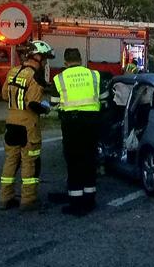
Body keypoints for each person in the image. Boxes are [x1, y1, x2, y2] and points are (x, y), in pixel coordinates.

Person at [0, 40, 53, 211]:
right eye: (44, 59)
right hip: (28, 124)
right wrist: (46, 109)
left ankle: (5, 198)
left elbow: (4, 95)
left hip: (11, 122)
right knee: (30, 161)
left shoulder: (13, 72)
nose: (45, 62)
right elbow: (32, 104)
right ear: (36, 57)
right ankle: (28, 200)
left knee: (11, 161)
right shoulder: (34, 76)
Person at [51, 48, 105, 216]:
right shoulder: (94, 75)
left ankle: (76, 204)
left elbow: (53, 103)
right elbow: (104, 98)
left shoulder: (59, 78)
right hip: (92, 123)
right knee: (89, 160)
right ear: (81, 60)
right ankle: (90, 201)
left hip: (71, 124)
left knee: (74, 162)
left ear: (66, 62)